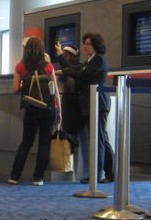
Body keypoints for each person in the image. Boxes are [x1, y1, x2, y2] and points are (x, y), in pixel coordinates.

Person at [55, 33, 114, 183]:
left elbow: (83, 75)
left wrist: (66, 71)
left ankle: (98, 175)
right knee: (100, 139)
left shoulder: (98, 60)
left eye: (87, 43)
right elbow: (75, 70)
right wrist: (62, 58)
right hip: (90, 105)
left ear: (95, 45)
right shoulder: (90, 60)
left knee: (99, 139)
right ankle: (106, 172)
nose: (85, 46)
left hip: (98, 104)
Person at [8, 37, 61, 186]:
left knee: (26, 142)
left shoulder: (20, 67)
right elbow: (55, 91)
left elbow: (15, 89)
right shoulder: (49, 66)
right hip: (48, 109)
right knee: (44, 143)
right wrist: (60, 112)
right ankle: (38, 178)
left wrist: (26, 84)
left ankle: (14, 176)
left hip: (31, 108)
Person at [55, 45, 82, 176]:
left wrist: (60, 55)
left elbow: (69, 69)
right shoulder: (70, 69)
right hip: (69, 110)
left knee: (75, 141)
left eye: (66, 56)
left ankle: (76, 170)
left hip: (74, 110)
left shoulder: (77, 68)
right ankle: (71, 169)